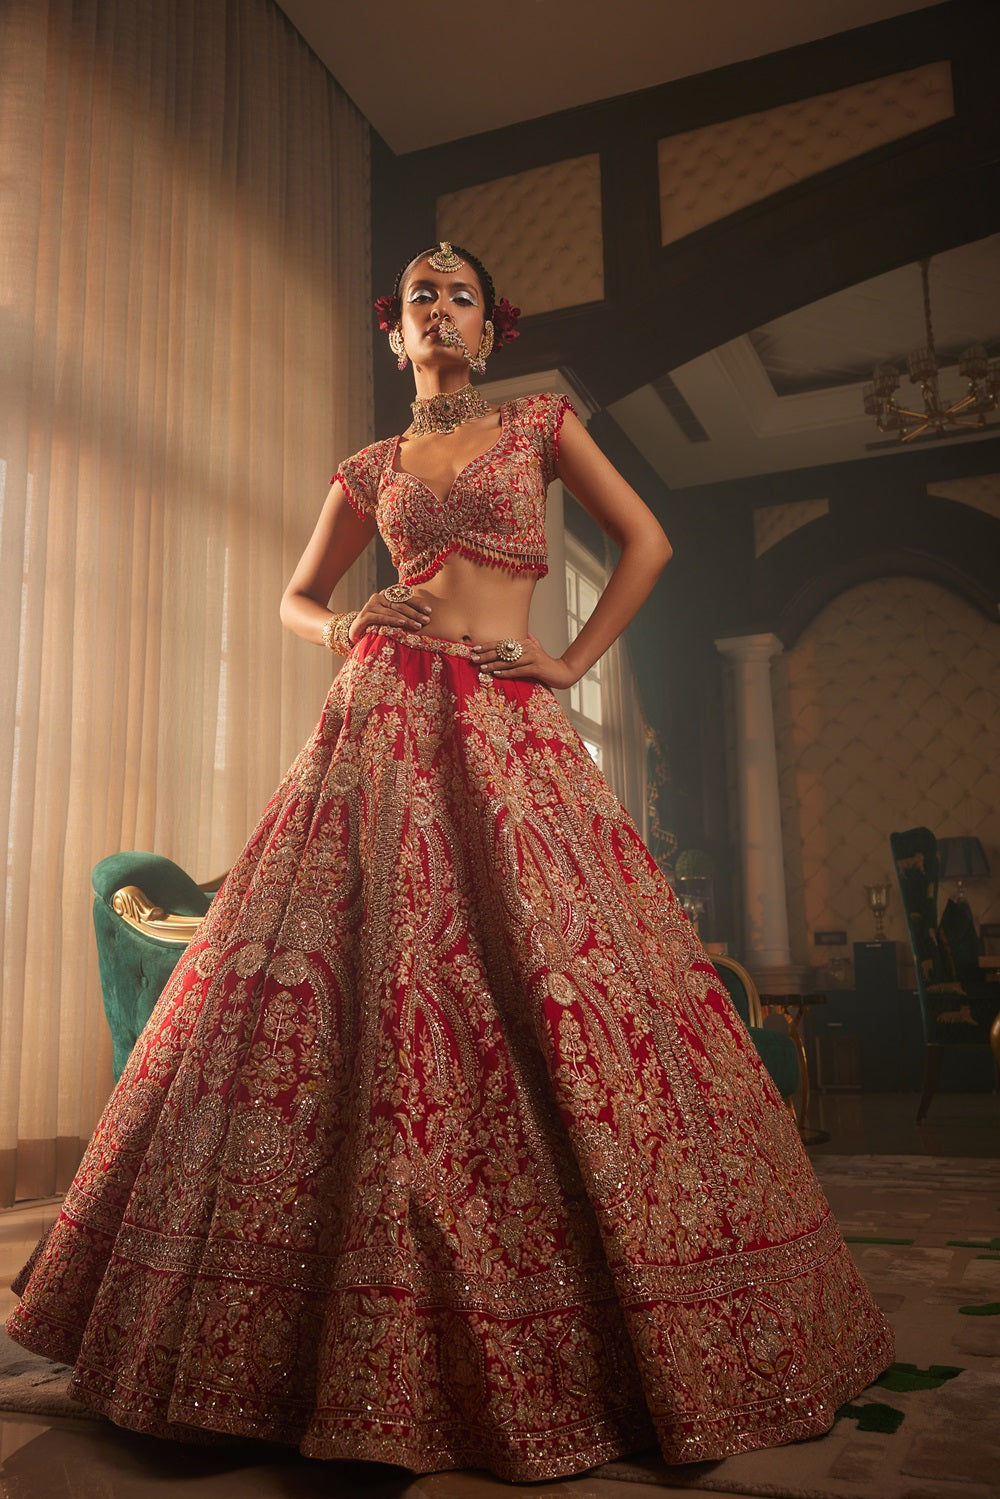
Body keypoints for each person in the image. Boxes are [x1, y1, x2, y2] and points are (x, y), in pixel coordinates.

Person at [6, 242, 894, 1483]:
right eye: (419, 294)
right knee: (349, 989)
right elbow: (297, 595)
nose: (437, 308)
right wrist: (344, 620)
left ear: (489, 330)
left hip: (506, 720)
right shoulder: (368, 468)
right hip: (375, 725)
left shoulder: (540, 421)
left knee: (561, 990)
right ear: (395, 332)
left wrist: (574, 663)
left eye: (458, 295)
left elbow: (644, 541)